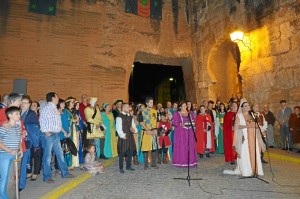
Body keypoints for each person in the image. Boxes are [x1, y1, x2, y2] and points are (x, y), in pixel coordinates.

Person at [39, 92, 74, 183]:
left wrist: (63, 132)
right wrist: (46, 132)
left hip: (56, 134)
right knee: (47, 157)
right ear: (53, 98)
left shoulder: (54, 108)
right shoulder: (46, 108)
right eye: (57, 96)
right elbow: (41, 120)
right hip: (49, 135)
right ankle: (47, 177)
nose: (58, 98)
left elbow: (58, 123)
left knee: (60, 155)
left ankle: (65, 173)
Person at [224, 99, 264, 176]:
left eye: (248, 105)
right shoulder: (239, 116)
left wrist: (255, 126)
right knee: (246, 153)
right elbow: (237, 126)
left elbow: (256, 125)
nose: (247, 107)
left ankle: (254, 170)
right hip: (245, 138)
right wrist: (247, 126)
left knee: (253, 152)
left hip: (253, 138)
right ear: (242, 108)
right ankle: (247, 170)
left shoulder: (252, 115)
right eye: (245, 106)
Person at [0, 107, 23, 199]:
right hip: (5, 155)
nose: (19, 115)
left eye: (19, 113)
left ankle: (13, 196)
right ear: (9, 115)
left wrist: (20, 149)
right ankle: (3, 197)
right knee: (4, 178)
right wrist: (9, 150)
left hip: (16, 155)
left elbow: (19, 140)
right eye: (16, 114)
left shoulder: (17, 127)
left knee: (15, 178)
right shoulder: (3, 127)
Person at [20, 95, 41, 189]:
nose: (23, 104)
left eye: (25, 102)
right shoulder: (18, 112)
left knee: (29, 158)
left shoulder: (31, 114)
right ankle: (25, 175)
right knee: (25, 160)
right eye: (22, 102)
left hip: (29, 140)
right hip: (20, 140)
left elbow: (35, 127)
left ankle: (30, 175)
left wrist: (25, 128)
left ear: (29, 104)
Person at [172, 101, 197, 167]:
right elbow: (173, 122)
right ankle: (181, 161)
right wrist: (180, 124)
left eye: (185, 105)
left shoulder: (190, 112)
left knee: (190, 145)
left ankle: (190, 161)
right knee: (182, 146)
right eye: (183, 106)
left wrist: (194, 123)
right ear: (180, 107)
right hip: (181, 132)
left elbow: (194, 120)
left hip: (190, 131)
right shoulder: (177, 113)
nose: (185, 106)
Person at [116, 103, 137, 174]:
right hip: (123, 137)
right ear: (123, 108)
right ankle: (121, 167)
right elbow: (118, 128)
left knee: (130, 152)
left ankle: (128, 166)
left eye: (129, 107)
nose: (129, 109)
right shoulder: (119, 117)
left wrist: (134, 130)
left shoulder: (130, 117)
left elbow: (133, 125)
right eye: (127, 107)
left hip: (130, 136)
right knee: (122, 153)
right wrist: (122, 135)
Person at [138, 97, 158, 170]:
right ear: (146, 103)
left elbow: (157, 121)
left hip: (153, 131)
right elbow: (141, 122)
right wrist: (147, 130)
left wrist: (156, 130)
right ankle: (146, 164)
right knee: (145, 148)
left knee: (154, 148)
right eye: (150, 102)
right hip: (146, 132)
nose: (152, 104)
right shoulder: (142, 111)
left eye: (152, 102)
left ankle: (153, 163)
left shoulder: (155, 111)